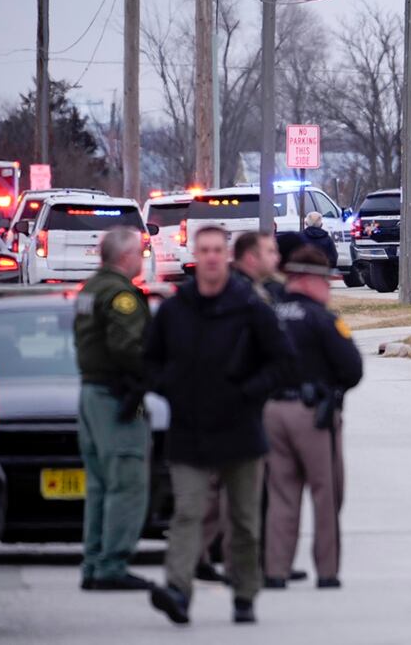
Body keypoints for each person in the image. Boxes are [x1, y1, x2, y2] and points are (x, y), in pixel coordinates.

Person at [146, 225, 295, 626]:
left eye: (218, 250)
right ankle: (177, 590)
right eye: (205, 249)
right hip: (189, 429)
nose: (211, 256)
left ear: (226, 255)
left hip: (240, 428)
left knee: (244, 521)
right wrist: (170, 388)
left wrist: (250, 391)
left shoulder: (249, 306)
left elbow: (282, 360)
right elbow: (150, 360)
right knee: (187, 513)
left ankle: (245, 594)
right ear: (196, 254)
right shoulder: (177, 308)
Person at [263, 246, 363, 589]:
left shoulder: (270, 314)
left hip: (272, 412)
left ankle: (275, 570)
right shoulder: (322, 319)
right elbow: (352, 368)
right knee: (327, 493)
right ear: (308, 280)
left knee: (281, 494)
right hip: (313, 415)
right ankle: (327, 571)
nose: (329, 288)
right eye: (326, 281)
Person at [73, 226, 153, 592]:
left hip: (91, 393)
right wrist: (148, 376)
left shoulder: (90, 289)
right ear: (124, 257)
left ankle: (93, 561)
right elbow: (128, 347)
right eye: (138, 252)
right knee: (127, 481)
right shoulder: (121, 295)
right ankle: (112, 563)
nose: (142, 257)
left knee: (100, 484)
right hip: (114, 396)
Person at [232, 231, 285, 304]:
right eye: (271, 252)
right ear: (250, 258)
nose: (278, 258)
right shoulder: (239, 294)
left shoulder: (254, 287)